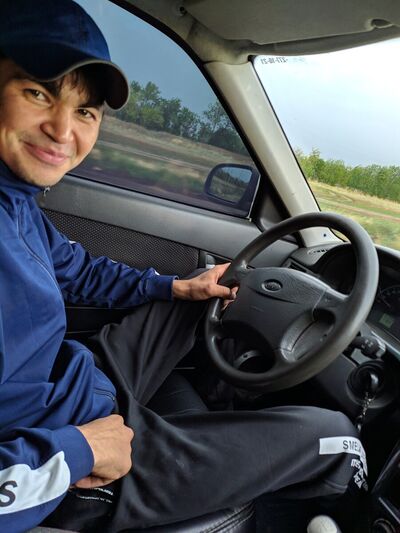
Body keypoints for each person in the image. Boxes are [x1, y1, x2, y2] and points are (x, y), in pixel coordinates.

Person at [0, 1, 366, 532]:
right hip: (68, 469)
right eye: (37, 92)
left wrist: (176, 287)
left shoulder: (15, 201)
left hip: (74, 384)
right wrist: (81, 450)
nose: (62, 130)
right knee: (336, 436)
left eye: (85, 111)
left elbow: (76, 270)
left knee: (211, 293)